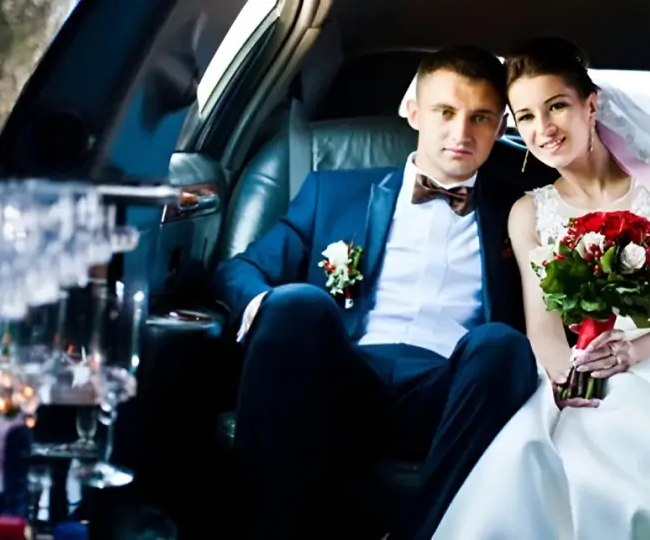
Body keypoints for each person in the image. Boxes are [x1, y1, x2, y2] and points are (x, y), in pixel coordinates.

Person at [400, 37, 650, 540]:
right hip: (590, 367)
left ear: (591, 103)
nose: (544, 129)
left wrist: (636, 349)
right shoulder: (528, 213)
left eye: (556, 106)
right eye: (526, 118)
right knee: (557, 449)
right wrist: (573, 381)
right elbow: (543, 331)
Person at [212, 46, 554, 540]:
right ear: (412, 112)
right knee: (298, 303)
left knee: (502, 343)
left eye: (480, 117)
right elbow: (240, 270)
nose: (462, 133)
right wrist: (276, 318)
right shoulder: (333, 191)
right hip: (341, 381)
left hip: (450, 395)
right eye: (445, 112)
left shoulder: (521, 213)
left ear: (500, 127)